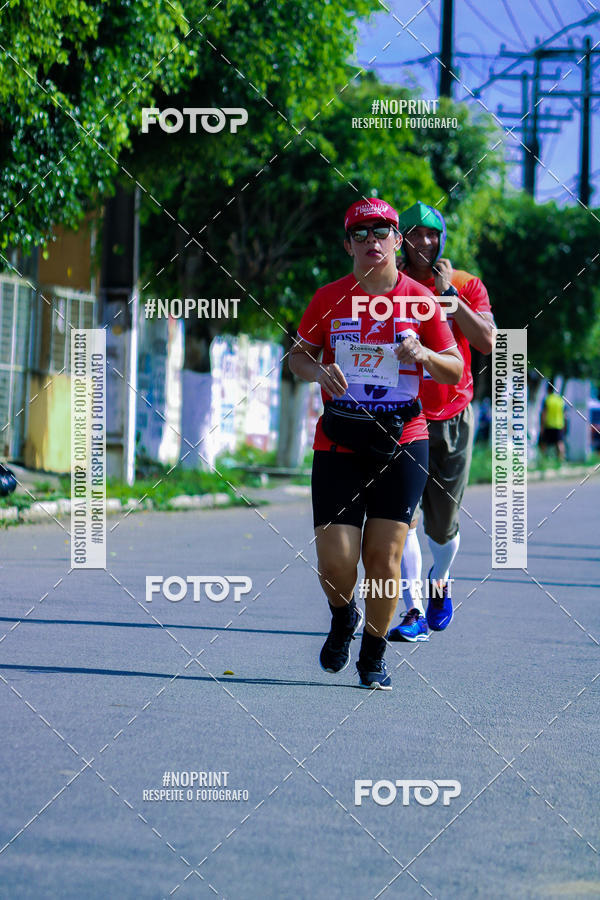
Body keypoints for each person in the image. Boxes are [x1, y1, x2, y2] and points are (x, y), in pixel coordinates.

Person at [289, 198, 463, 689]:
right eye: (360, 233)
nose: (372, 240)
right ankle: (344, 614)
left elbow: (454, 370)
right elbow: (297, 357)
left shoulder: (420, 301)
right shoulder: (328, 298)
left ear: (396, 240)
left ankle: (373, 651)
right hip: (339, 438)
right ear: (348, 244)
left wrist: (423, 353)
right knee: (336, 560)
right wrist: (318, 370)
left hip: (403, 440)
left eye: (382, 231)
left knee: (384, 559)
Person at [388, 201, 495, 643]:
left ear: (442, 238)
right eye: (414, 233)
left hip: (452, 416)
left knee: (442, 527)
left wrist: (449, 297)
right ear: (402, 239)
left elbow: (488, 341)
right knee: (403, 519)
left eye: (431, 233)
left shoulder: (467, 284)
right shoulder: (389, 283)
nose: (424, 241)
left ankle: (441, 579)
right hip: (402, 414)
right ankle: (413, 610)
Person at [539, 383, 566, 461]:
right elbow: (564, 414)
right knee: (559, 443)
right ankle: (561, 460)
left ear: (548, 389)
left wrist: (542, 426)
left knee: (544, 443)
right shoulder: (560, 400)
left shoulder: (547, 399)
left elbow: (544, 413)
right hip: (559, 425)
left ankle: (542, 460)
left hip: (549, 424)